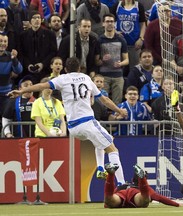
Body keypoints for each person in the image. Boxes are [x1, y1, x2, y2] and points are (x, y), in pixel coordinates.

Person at [7, 57, 128, 186]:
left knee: (104, 140)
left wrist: (21, 91)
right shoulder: (87, 78)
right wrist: (119, 110)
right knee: (113, 149)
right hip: (87, 122)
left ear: (65, 69)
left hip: (73, 128)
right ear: (80, 68)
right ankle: (121, 183)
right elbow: (104, 100)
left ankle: (100, 168)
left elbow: (42, 85)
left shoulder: (62, 79)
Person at [104, 163, 180, 208]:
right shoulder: (147, 189)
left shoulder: (122, 186)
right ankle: (142, 178)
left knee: (110, 199)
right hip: (136, 194)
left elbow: (107, 200)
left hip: (121, 195)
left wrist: (108, 204)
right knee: (145, 199)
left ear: (132, 179)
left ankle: (111, 174)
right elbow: (159, 198)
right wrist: (177, 204)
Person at [96, 13, 129, 105]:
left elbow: (127, 60)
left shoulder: (121, 39)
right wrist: (103, 59)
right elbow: (96, 61)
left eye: (111, 21)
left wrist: (120, 64)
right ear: (103, 24)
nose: (110, 23)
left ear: (114, 23)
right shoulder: (99, 40)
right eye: (107, 21)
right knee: (102, 102)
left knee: (117, 103)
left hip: (118, 75)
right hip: (103, 76)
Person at [18, 10, 57, 83]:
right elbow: (21, 53)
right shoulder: (23, 35)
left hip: (45, 71)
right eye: (34, 18)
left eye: (38, 18)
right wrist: (28, 65)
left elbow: (53, 52)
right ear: (30, 21)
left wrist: (43, 64)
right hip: (27, 72)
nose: (37, 20)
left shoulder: (50, 34)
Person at [0, 34, 23, 127]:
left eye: (5, 41)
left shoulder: (10, 56)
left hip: (6, 94)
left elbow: (19, 70)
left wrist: (14, 59)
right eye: (1, 41)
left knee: (6, 121)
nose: (3, 43)